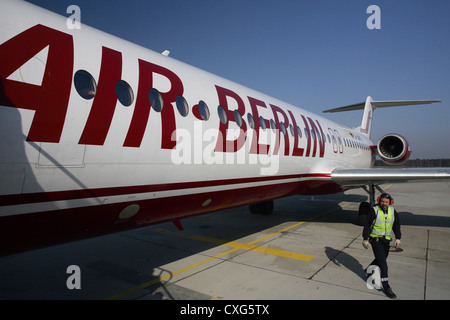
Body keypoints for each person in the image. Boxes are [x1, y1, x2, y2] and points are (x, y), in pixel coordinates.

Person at [362, 193, 401, 299]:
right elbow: (367, 224)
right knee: (383, 264)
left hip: (386, 240)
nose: (384, 204)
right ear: (379, 201)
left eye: (386, 202)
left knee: (381, 259)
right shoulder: (374, 210)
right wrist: (365, 238)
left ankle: (368, 269)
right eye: (382, 201)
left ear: (390, 203)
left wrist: (398, 237)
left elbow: (396, 224)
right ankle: (386, 286)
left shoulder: (392, 211)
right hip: (376, 239)